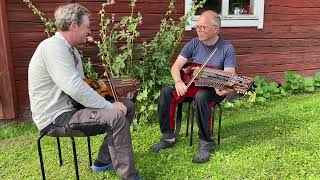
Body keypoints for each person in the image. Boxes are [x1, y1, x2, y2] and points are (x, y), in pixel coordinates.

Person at [28, 3, 141, 180]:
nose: (89, 32)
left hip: (72, 108)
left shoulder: (71, 51)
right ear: (73, 25)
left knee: (127, 106)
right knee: (116, 116)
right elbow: (75, 87)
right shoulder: (52, 48)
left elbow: (82, 86)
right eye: (87, 26)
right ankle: (130, 177)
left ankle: (103, 162)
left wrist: (111, 95)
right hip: (55, 117)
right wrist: (108, 107)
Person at [151, 10, 236, 163]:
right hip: (192, 83)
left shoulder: (226, 48)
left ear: (216, 29)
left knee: (202, 96)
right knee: (166, 92)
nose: (198, 30)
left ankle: (206, 143)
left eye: (203, 27)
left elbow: (229, 75)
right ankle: (168, 137)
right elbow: (176, 67)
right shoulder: (194, 43)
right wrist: (178, 82)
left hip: (212, 89)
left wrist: (222, 85)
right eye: (197, 27)